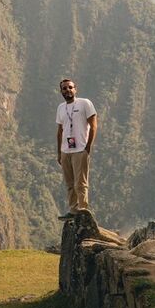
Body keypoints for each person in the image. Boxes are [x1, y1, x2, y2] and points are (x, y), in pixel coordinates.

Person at [55, 78, 97, 219]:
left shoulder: (85, 103)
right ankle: (73, 210)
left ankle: (83, 210)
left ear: (75, 89)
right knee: (69, 184)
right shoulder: (61, 108)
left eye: (70, 87)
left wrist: (88, 146)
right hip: (66, 150)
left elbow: (94, 125)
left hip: (80, 149)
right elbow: (60, 130)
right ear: (61, 91)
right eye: (64, 88)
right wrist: (59, 152)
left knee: (81, 183)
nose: (67, 90)